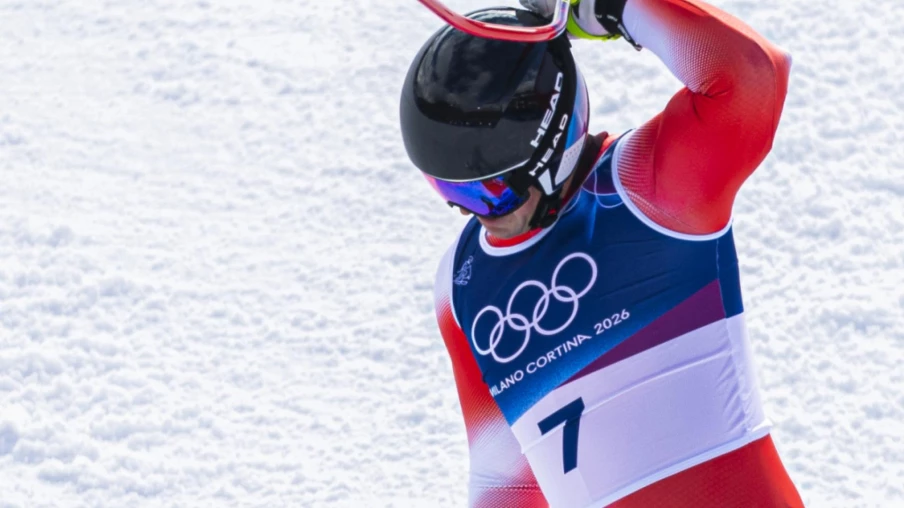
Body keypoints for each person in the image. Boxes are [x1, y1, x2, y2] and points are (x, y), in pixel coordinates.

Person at [399, 0, 802, 506]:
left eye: (490, 191)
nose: (472, 214)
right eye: (452, 193)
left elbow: (753, 76)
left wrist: (612, 8)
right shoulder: (461, 285)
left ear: (553, 143)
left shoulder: (648, 190)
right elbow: (506, 483)